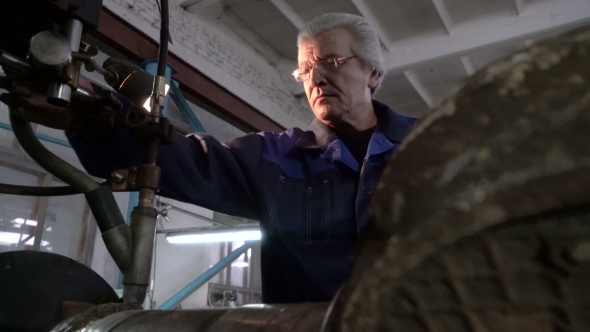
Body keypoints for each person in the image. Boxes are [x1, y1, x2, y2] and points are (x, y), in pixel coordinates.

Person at [0, 13, 414, 303]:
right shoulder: (276, 158)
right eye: (306, 69)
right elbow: (182, 158)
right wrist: (91, 115)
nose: (317, 76)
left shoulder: (432, 147)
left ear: (373, 73)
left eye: (332, 61)